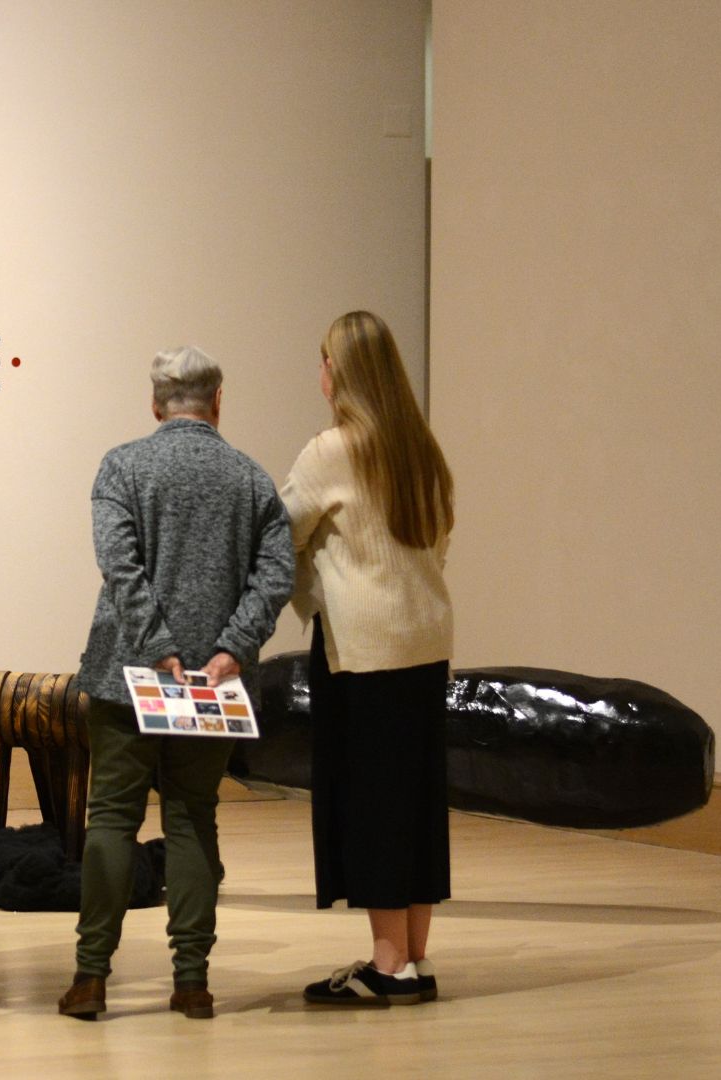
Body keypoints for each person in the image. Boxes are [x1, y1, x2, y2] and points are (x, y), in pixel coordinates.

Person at [57, 345, 294, 1022]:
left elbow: (119, 565)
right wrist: (231, 649)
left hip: (125, 677)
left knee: (112, 819)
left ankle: (91, 978)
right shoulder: (251, 479)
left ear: (156, 403)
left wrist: (155, 645)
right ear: (218, 401)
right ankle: (192, 981)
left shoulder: (122, 466)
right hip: (213, 687)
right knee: (192, 816)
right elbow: (276, 575)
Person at [280, 311, 454, 1007]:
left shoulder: (331, 450)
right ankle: (413, 958)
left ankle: (387, 966)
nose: (319, 375)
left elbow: (280, 531)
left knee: (374, 803)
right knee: (417, 801)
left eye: (324, 361)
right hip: (426, 644)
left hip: (364, 650)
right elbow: (441, 543)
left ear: (342, 372)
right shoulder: (422, 451)